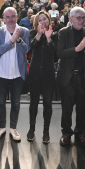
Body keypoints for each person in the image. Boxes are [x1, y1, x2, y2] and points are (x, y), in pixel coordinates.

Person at [56, 7, 85, 147]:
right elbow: (60, 53)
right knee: (66, 109)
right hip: (67, 77)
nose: (81, 20)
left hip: (84, 77)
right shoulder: (63, 32)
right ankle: (66, 133)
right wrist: (77, 49)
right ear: (71, 18)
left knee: (82, 108)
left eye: (83, 17)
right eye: (78, 17)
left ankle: (80, 133)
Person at [0, 7, 30, 142]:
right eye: (7, 17)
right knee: (0, 102)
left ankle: (13, 128)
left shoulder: (24, 31)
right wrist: (11, 41)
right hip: (1, 73)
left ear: (17, 17)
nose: (10, 19)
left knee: (16, 103)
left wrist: (19, 40)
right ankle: (2, 127)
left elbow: (27, 49)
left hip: (17, 74)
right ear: (3, 18)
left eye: (13, 16)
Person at [27, 11, 55, 144]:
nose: (43, 22)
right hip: (35, 73)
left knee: (48, 103)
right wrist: (39, 34)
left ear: (49, 21)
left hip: (49, 74)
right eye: (40, 20)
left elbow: (55, 54)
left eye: (45, 19)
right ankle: (31, 129)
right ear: (36, 23)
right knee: (34, 102)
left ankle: (46, 131)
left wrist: (49, 38)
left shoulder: (55, 34)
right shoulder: (32, 33)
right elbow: (32, 47)